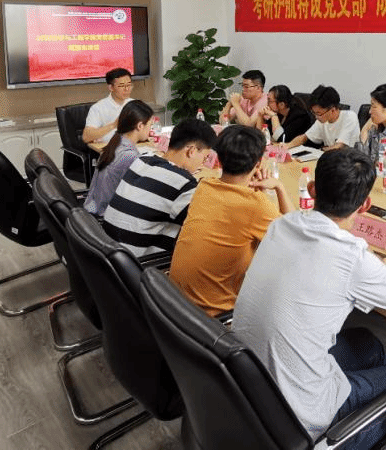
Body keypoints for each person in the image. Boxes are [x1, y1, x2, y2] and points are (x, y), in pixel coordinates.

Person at [232, 147, 386, 450]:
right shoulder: (350, 255)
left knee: (367, 343)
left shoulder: (279, 225)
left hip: (248, 387)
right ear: (365, 205)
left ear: (312, 190)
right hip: (301, 421)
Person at [168, 124, 294, 316]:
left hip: (173, 305)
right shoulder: (254, 205)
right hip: (213, 316)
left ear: (219, 160)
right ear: (259, 163)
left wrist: (256, 195)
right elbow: (295, 235)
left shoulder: (204, 186)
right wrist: (279, 187)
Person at [102, 119, 217, 257]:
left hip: (108, 254)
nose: (202, 163)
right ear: (191, 151)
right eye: (205, 157)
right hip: (138, 264)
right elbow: (205, 227)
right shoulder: (184, 184)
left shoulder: (143, 160)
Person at [83, 100, 153, 217]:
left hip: (94, 208)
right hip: (106, 215)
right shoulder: (129, 156)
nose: (150, 129)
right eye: (150, 125)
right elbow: (141, 194)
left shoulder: (115, 143)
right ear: (140, 126)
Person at [285, 85, 359, 150]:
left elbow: (339, 146)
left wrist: (322, 149)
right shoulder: (322, 121)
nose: (316, 117)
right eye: (314, 113)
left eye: (319, 114)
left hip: (349, 159)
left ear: (332, 110)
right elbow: (304, 137)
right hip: (331, 157)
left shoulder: (350, 117)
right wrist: (288, 145)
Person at [82, 68, 134, 144]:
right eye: (121, 86)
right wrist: (113, 125)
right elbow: (86, 137)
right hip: (110, 148)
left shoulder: (135, 104)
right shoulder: (98, 108)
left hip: (135, 146)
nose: (127, 89)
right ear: (111, 87)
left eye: (129, 85)